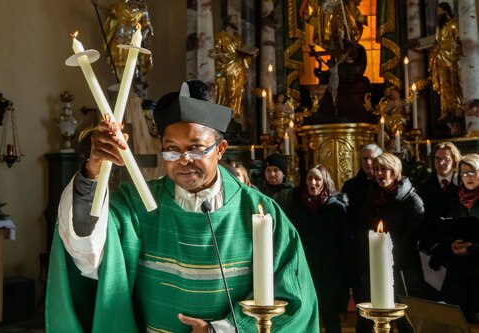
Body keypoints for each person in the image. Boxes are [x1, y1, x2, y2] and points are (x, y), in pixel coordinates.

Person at [46, 80, 319, 333]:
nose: (183, 160)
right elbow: (86, 250)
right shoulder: (137, 205)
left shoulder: (262, 212)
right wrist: (93, 169)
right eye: (171, 149)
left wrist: (220, 330)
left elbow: (294, 299)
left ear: (221, 149)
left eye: (196, 148)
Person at [353, 153, 426, 333]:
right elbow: (363, 228)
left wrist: (388, 257)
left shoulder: (411, 200)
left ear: (395, 171)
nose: (379, 173)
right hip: (374, 268)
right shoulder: (372, 196)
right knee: (371, 318)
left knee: (404, 321)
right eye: (377, 169)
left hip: (402, 270)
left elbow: (412, 238)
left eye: (384, 169)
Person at [283, 165, 350, 333]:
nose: (312, 183)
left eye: (317, 179)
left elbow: (345, 243)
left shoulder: (336, 208)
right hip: (304, 269)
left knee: (331, 316)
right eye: (309, 179)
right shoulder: (296, 206)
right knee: (304, 314)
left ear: (324, 182)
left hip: (330, 271)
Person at [341, 143, 382, 333]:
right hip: (360, 252)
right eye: (364, 158)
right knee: (363, 303)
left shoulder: (385, 183)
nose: (368, 162)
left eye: (372, 158)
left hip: (384, 251)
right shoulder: (351, 185)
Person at [416, 142, 461, 295]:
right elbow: (421, 222)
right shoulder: (423, 187)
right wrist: (435, 246)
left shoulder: (463, 184)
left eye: (446, 159)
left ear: (454, 160)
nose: (441, 163)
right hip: (432, 250)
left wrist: (451, 245)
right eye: (437, 159)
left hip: (457, 249)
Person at [441, 153, 479, 322]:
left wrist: (471, 248)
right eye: (463, 173)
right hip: (459, 272)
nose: (467, 177)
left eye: (472, 172)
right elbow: (447, 227)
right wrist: (452, 244)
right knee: (459, 321)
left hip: (478, 267)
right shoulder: (455, 198)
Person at [209, 14, 257, 118]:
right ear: (228, 22)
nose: (237, 23)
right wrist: (229, 56)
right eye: (235, 21)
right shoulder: (220, 36)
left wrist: (250, 55)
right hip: (225, 70)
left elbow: (242, 52)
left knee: (237, 91)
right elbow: (216, 53)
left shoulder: (238, 38)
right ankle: (223, 115)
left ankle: (232, 115)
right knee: (229, 91)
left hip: (238, 69)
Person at [428, 2, 463, 121]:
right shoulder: (439, 27)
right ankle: (446, 108)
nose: (438, 14)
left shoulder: (454, 24)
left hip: (452, 57)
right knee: (443, 84)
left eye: (439, 11)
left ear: (445, 11)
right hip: (440, 57)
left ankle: (458, 105)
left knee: (455, 82)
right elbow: (437, 42)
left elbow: (458, 40)